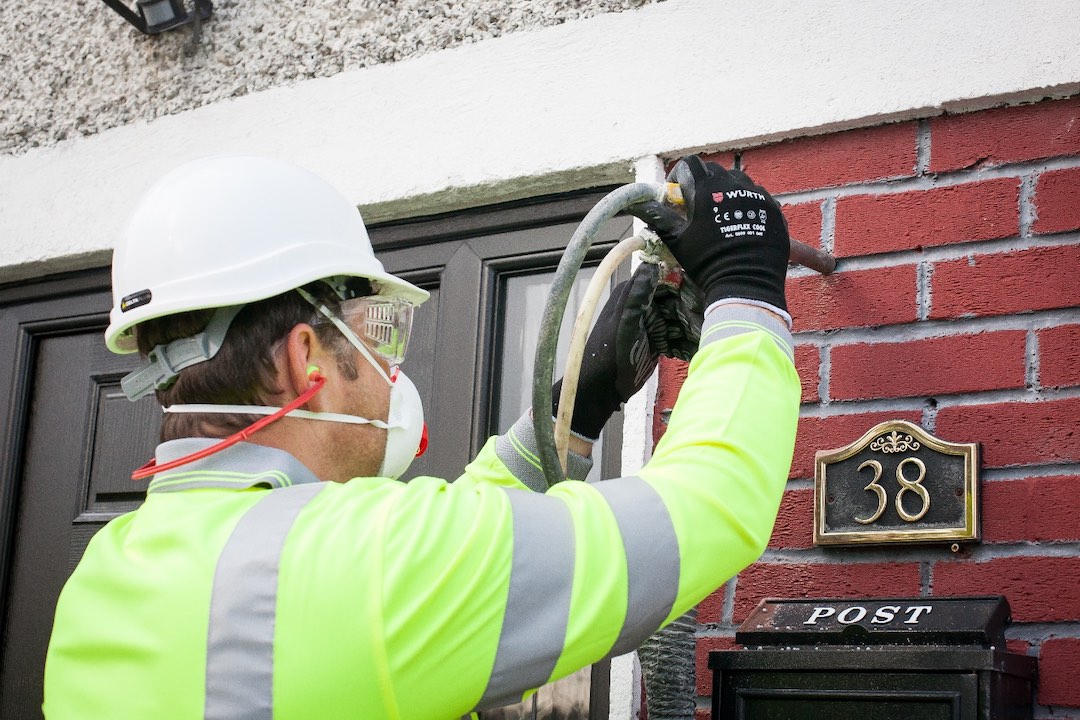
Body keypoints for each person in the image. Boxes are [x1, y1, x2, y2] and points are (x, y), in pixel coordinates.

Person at [43, 154, 799, 719]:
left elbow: (438, 566)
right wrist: (746, 291)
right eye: (380, 332)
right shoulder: (370, 563)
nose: (388, 367)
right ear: (305, 359)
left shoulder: (103, 577)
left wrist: (574, 404)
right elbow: (706, 507)